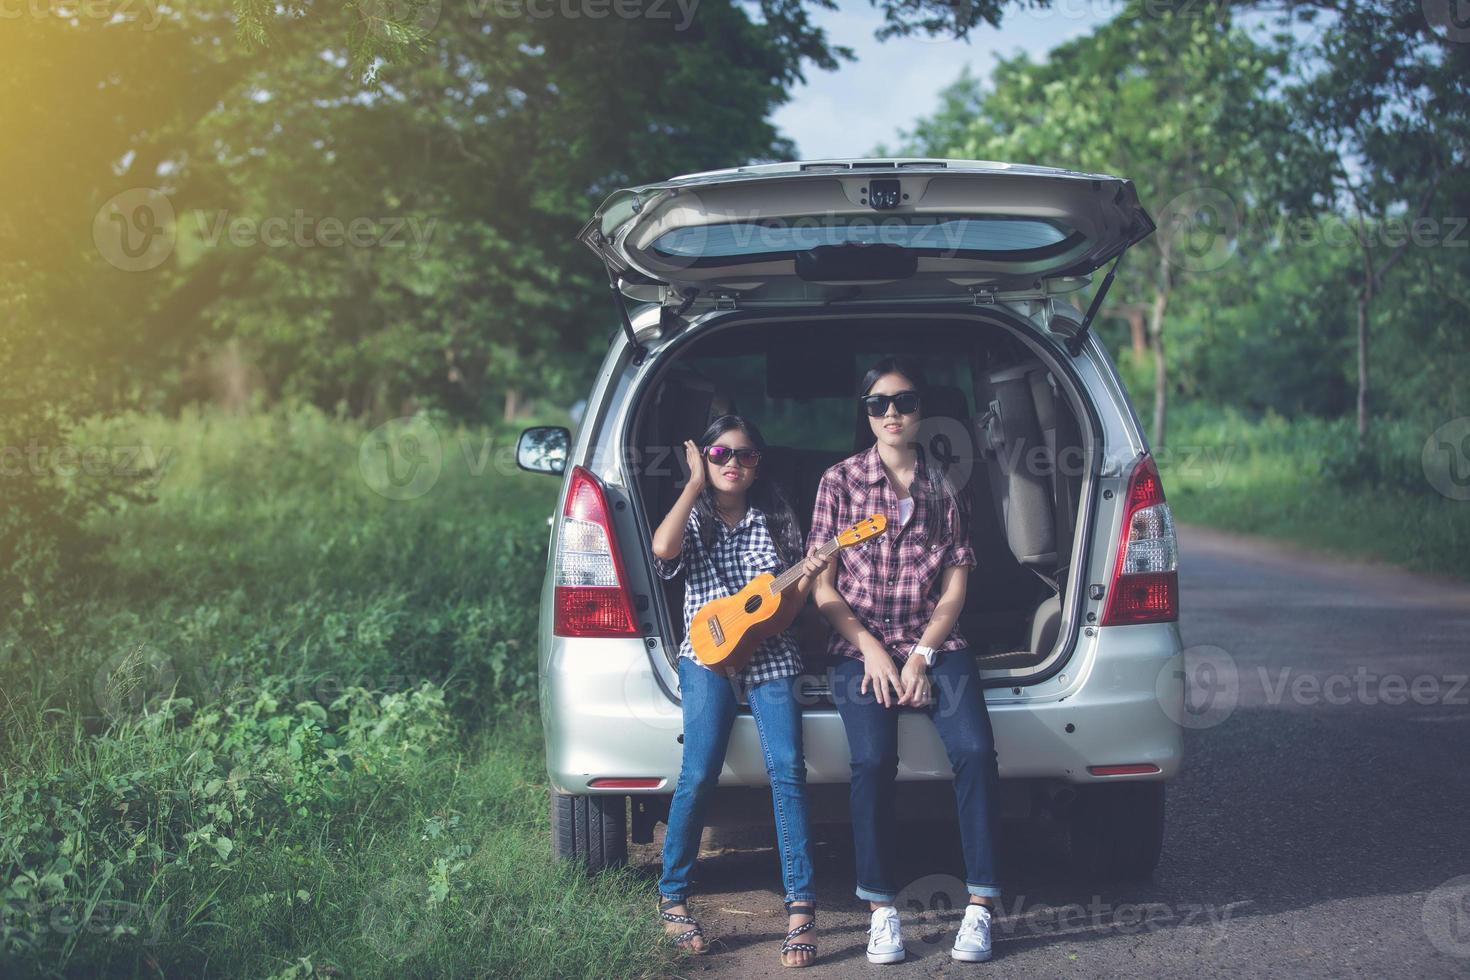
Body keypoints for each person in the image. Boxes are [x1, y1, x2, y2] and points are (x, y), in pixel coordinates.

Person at [808, 357, 1001, 964]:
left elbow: (955, 588)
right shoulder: (837, 482)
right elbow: (823, 588)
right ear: (864, 413)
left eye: (904, 402)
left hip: (933, 642)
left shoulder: (946, 484)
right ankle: (881, 908)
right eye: (878, 404)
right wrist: (870, 650)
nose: (892, 413)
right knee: (870, 759)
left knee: (973, 750)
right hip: (857, 645)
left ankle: (981, 907)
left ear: (921, 410)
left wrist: (920, 656)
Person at [650, 414, 831, 968]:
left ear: (759, 463)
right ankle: (674, 896)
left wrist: (807, 576)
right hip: (705, 654)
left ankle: (801, 909)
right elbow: (662, 550)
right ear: (705, 458)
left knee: (788, 770)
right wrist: (692, 484)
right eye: (721, 453)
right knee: (699, 771)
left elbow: (785, 614)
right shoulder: (697, 513)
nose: (734, 463)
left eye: (746, 455)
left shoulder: (775, 519)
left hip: (771, 656)